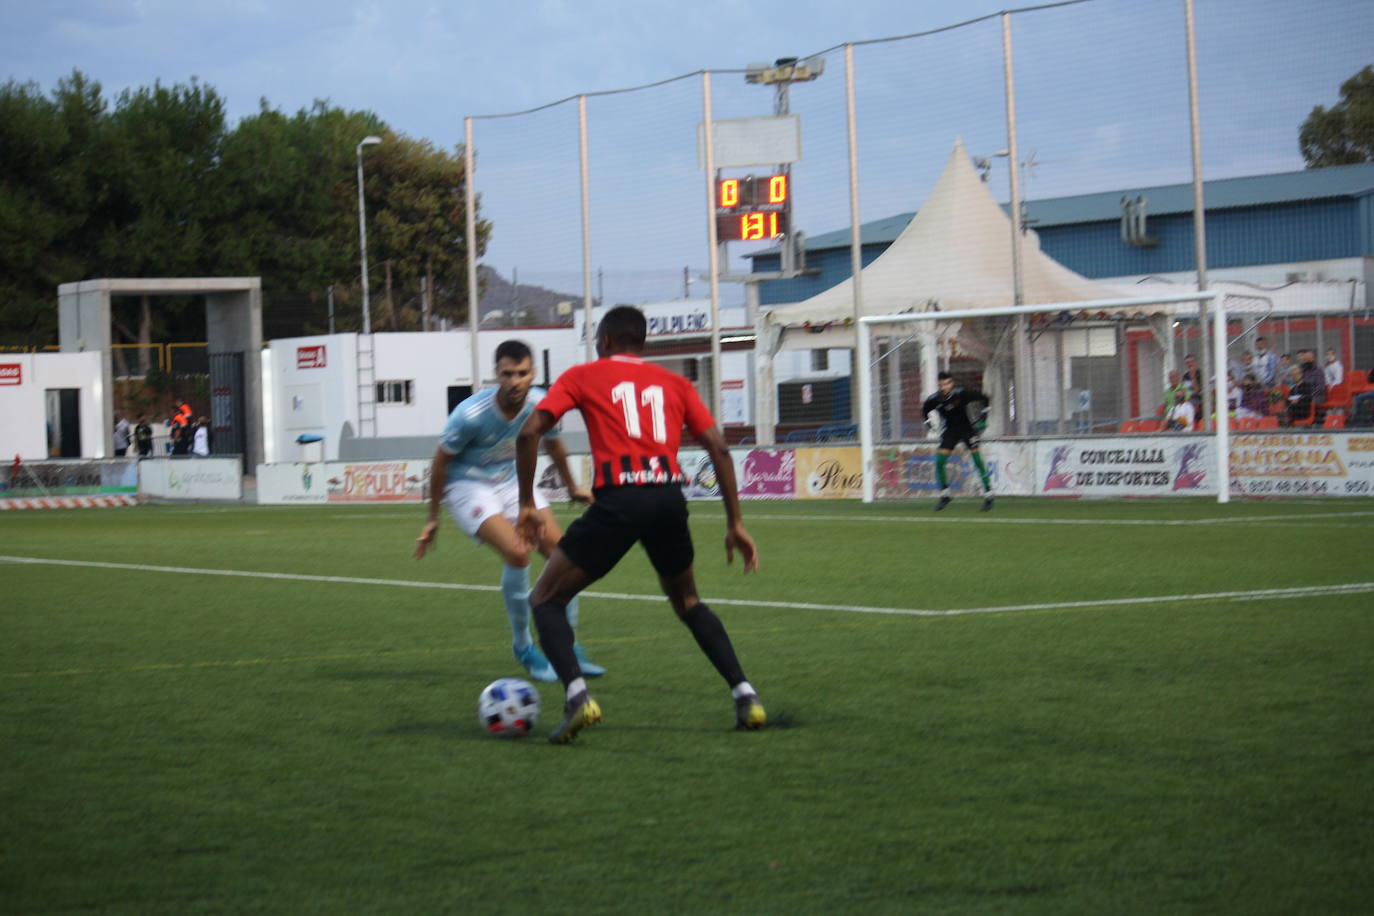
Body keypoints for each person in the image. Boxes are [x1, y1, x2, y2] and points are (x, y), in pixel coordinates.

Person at [514, 305, 762, 744]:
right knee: (688, 602)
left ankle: (577, 698)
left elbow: (529, 432)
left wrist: (527, 504)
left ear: (606, 341)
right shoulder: (675, 382)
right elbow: (721, 450)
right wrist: (735, 523)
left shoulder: (582, 376)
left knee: (545, 600)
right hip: (668, 499)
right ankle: (746, 695)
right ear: (642, 343)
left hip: (620, 501)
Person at [414, 339, 601, 684]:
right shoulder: (470, 414)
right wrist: (433, 518)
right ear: (495, 376)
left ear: (533, 374)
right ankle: (524, 646)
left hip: (513, 481)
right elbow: (440, 461)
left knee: (565, 557)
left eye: (521, 373)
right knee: (518, 553)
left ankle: (568, 647)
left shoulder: (541, 403)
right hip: (467, 484)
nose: (515, 381)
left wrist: (572, 486)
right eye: (507, 374)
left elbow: (554, 442)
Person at [921, 372, 993, 512]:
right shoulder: (934, 399)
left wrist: (984, 418)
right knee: (940, 462)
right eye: (941, 384)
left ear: (952, 383)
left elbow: (984, 398)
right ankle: (945, 495)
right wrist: (928, 424)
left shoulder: (962, 394)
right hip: (950, 432)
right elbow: (925, 410)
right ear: (939, 385)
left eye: (947, 384)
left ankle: (989, 495)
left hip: (967, 430)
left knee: (978, 461)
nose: (944, 387)